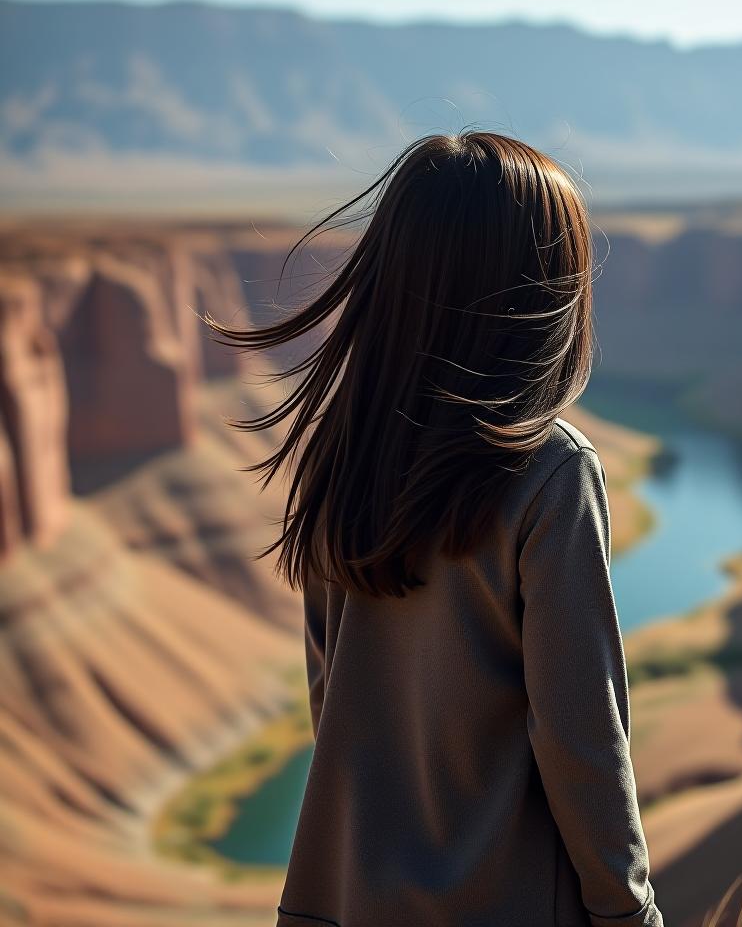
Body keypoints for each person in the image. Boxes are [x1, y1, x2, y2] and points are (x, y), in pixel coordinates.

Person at [210, 131, 664, 926]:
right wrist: (630, 915)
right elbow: (582, 742)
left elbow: (333, 701)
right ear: (538, 292)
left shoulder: (343, 448)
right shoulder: (552, 472)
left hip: (341, 897)